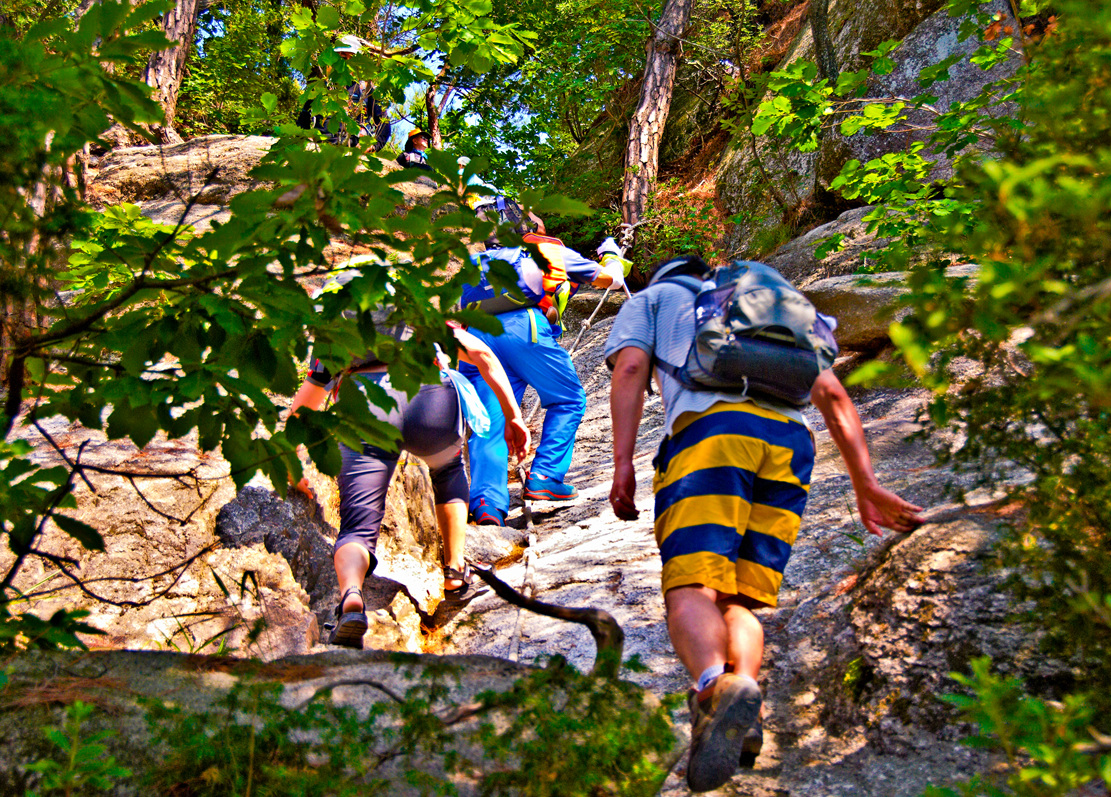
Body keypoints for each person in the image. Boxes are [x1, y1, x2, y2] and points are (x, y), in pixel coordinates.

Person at [604, 255, 925, 792]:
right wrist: (866, 484)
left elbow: (631, 369)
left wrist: (622, 464)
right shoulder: (766, 305)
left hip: (713, 436)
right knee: (740, 600)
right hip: (790, 444)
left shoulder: (654, 299)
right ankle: (744, 691)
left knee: (692, 587)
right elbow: (833, 394)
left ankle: (713, 686)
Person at [289, 300, 530, 648]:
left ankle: (352, 596)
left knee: (356, 528)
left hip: (365, 405)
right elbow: (483, 355)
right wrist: (513, 416)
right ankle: (454, 571)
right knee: (448, 469)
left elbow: (303, 408)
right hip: (429, 399)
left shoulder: (336, 335)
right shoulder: (418, 315)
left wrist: (291, 463)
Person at [458, 199, 629, 525]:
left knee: (489, 421)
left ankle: (486, 504)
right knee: (568, 399)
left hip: (479, 337)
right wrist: (612, 257)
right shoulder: (545, 251)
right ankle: (545, 477)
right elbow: (612, 280)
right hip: (525, 329)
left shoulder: (475, 264)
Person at [296, 35, 392, 152]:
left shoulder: (365, 89)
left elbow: (383, 122)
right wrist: (305, 138)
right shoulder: (320, 88)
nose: (343, 60)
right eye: (340, 56)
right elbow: (303, 118)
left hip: (352, 151)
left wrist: (373, 146)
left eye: (347, 57)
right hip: (320, 149)